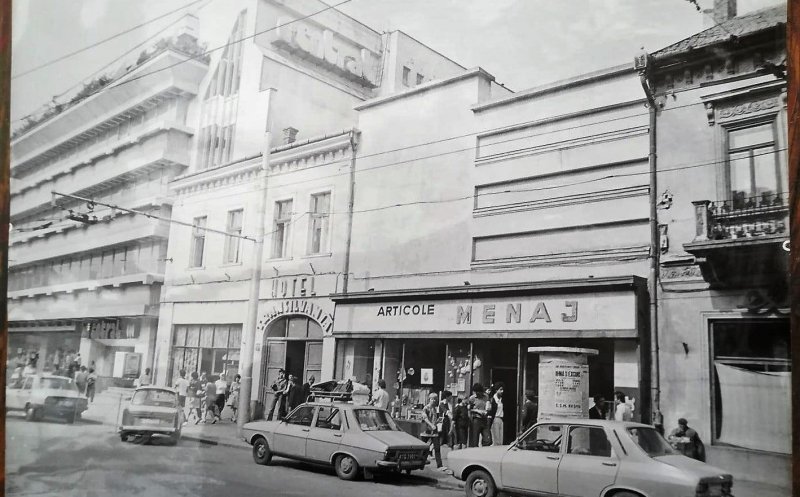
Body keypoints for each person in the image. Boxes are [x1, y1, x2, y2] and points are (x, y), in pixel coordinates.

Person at [421, 393, 447, 472]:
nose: (434, 400)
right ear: (429, 399)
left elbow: (434, 419)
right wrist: (431, 425)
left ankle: (439, 465)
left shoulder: (435, 409)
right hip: (426, 431)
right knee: (423, 448)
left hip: (434, 432)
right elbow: (425, 418)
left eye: (435, 399)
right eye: (432, 399)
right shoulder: (426, 408)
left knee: (437, 448)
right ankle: (421, 462)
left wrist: (437, 422)